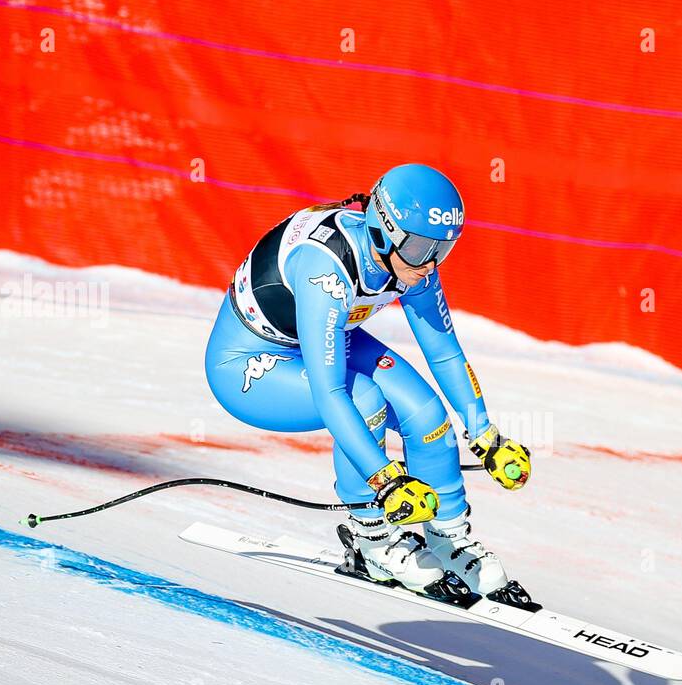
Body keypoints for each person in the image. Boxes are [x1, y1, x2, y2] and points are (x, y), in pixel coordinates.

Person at [204, 163, 534, 607]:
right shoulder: (326, 268)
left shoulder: (410, 260)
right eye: (420, 248)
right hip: (247, 366)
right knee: (364, 399)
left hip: (320, 339)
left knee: (427, 413)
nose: (431, 263)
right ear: (383, 231)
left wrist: (487, 436)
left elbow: (445, 353)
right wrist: (386, 481)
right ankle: (372, 540)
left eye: (443, 249)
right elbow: (331, 393)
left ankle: (449, 540)